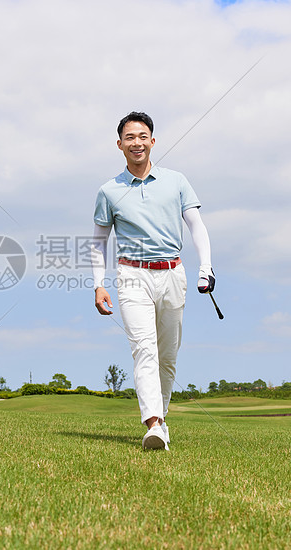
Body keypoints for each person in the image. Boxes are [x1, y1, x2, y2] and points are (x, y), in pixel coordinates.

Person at [91, 111, 214, 451]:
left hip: (173, 272)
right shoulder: (108, 191)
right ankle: (154, 425)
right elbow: (99, 241)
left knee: (167, 355)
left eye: (142, 136)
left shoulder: (176, 181)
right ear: (120, 144)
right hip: (131, 275)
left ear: (152, 141)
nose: (137, 143)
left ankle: (163, 416)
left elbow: (196, 226)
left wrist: (206, 266)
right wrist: (99, 283)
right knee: (143, 350)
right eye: (130, 138)